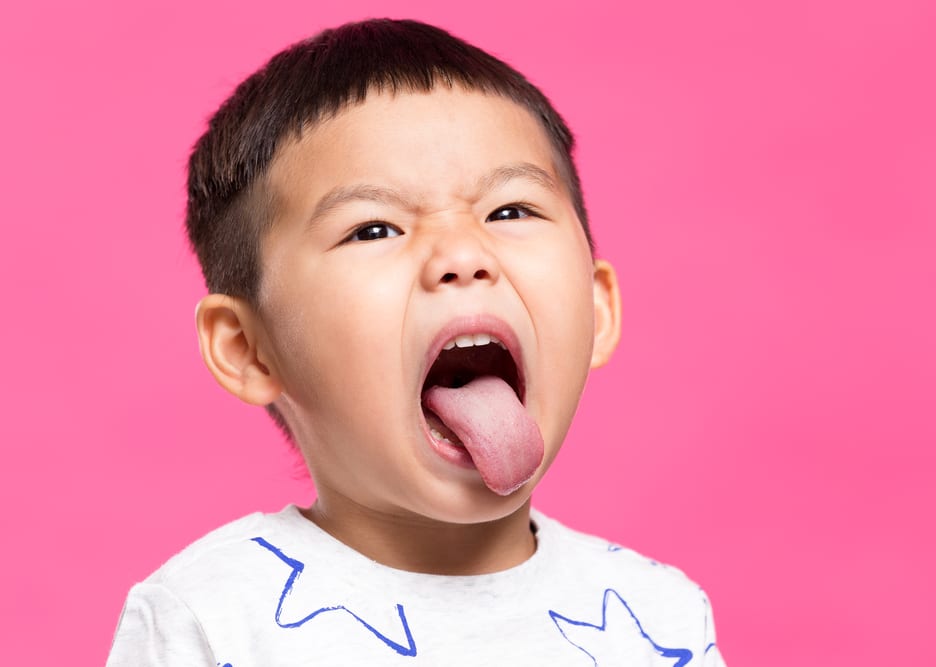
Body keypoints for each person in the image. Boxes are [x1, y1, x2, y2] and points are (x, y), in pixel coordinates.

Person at [106, 18, 725, 666]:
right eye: (374, 228)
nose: (462, 254)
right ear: (248, 347)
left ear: (597, 306)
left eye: (510, 211)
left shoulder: (657, 616)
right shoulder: (212, 616)